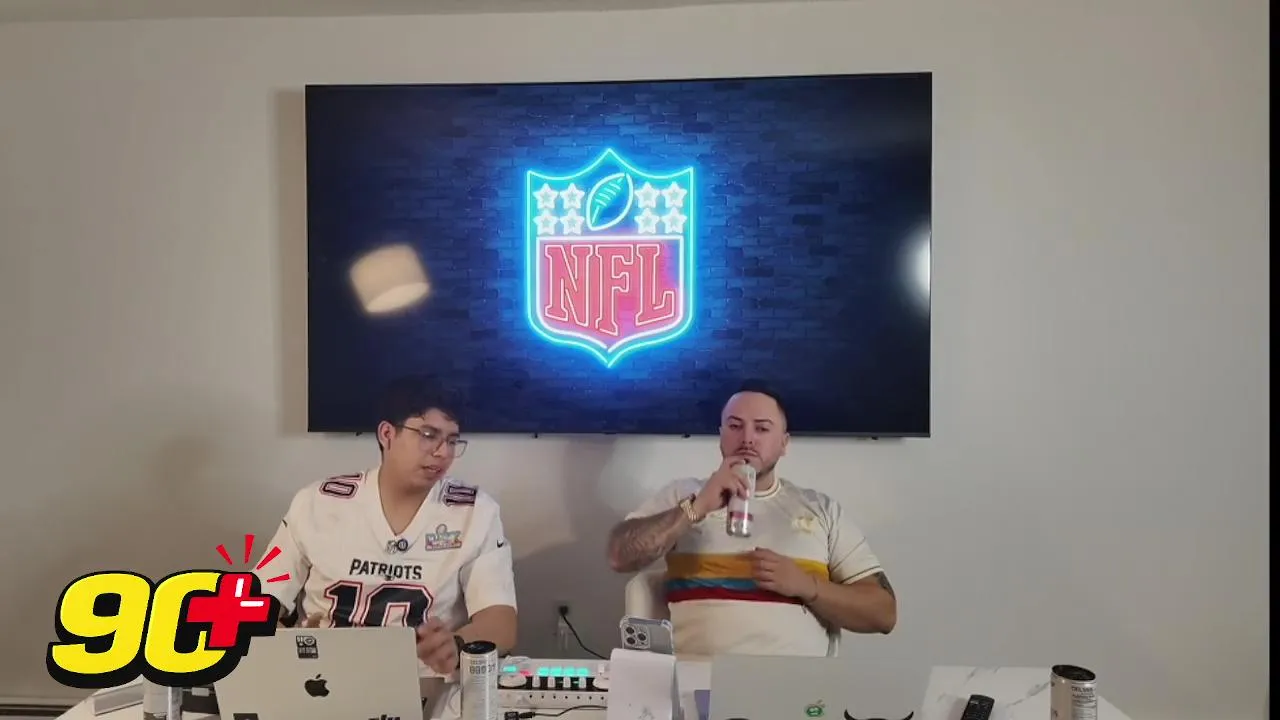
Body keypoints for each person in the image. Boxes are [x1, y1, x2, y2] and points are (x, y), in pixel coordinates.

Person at [605, 380, 896, 657]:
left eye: (762, 428)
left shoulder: (821, 509)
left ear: (784, 443)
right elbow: (620, 556)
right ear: (721, 435)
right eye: (735, 426)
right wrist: (697, 507)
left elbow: (883, 613)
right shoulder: (685, 495)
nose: (747, 439)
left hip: (793, 686)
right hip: (699, 679)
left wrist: (808, 586)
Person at [253, 375, 517, 674]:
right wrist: (278, 639)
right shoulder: (317, 502)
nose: (443, 452)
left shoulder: (475, 511)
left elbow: (500, 623)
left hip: (426, 686)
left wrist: (455, 644)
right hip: (323, 681)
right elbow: (259, 598)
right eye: (428, 435)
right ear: (387, 434)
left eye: (452, 441)